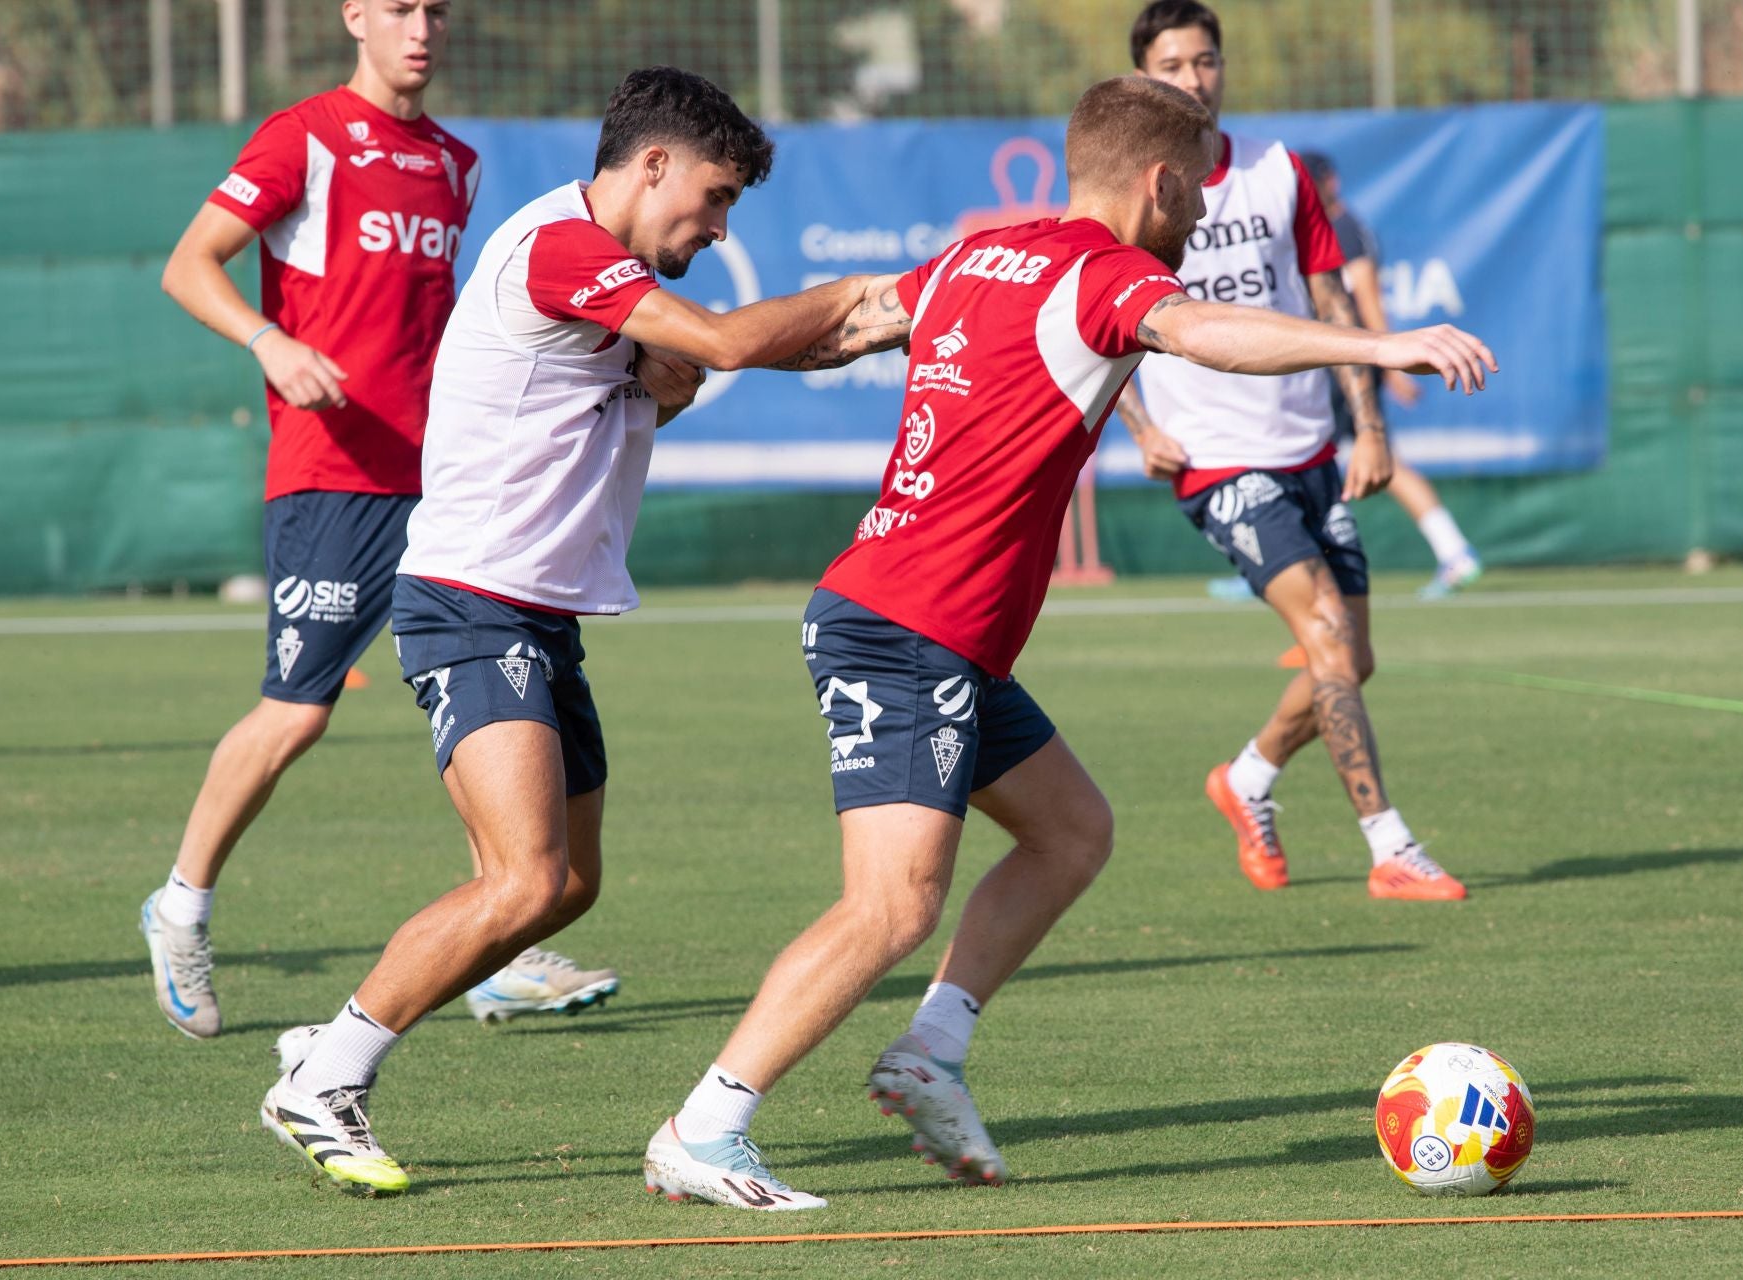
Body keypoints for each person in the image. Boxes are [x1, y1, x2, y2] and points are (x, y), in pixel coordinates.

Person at [640, 73, 1494, 1211]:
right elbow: (1205, 335)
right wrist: (1380, 344)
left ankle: (930, 1051)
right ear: (1163, 180)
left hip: (929, 629)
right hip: (908, 629)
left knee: (1071, 829)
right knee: (891, 904)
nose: (1203, 214)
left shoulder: (979, 256)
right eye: (1198, 189)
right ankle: (707, 1125)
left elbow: (846, 323)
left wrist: (717, 346)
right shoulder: (1110, 274)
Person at [257, 66, 904, 1195]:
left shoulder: (605, 274)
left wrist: (868, 331)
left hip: (537, 613)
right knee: (521, 877)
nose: (712, 224)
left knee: (564, 887)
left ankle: (331, 1046)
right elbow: (722, 341)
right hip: (469, 599)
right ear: (650, 165)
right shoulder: (561, 246)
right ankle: (325, 1074)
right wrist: (858, 292)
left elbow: (681, 367)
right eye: (710, 198)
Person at [141, 0, 618, 1042]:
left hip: (441, 477)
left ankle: (501, 941)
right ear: (354, 16)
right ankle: (180, 904)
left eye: (436, 11)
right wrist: (269, 341)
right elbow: (188, 265)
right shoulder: (304, 135)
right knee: (298, 709)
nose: (422, 28)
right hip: (332, 475)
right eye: (399, 7)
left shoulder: (456, 161)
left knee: (492, 703)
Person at [1119, 0, 1469, 903]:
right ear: (1142, 78)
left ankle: (1247, 778)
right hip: (1218, 461)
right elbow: (1093, 329)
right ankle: (1390, 846)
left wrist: (1374, 431)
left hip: (1311, 448)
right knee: (1321, 637)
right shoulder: (1135, 198)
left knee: (1350, 661)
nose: (1192, 79)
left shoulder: (1279, 175)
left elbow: (1331, 307)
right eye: (1172, 65)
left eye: (1205, 62)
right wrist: (1142, 429)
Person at [1301, 149, 1482, 601]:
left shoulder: (1343, 229)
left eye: (1310, 183)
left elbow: (1366, 297)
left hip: (1350, 365)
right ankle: (1290, 563)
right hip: (1340, 361)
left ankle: (1454, 552)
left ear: (1330, 183)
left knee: (1367, 462)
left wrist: (1390, 362)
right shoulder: (1329, 228)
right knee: (1315, 457)